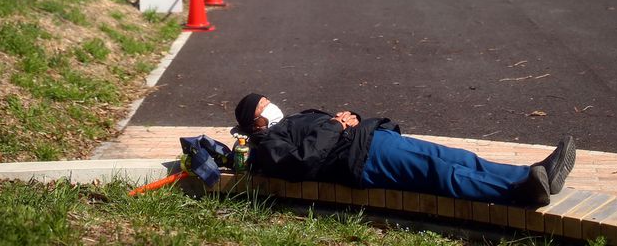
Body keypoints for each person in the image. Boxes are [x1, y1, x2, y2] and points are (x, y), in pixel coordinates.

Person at [233, 93, 575, 207]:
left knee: (454, 157)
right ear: (255, 122)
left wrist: (348, 118)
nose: (272, 107)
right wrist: (336, 125)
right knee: (440, 173)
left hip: (372, 139)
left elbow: (323, 131)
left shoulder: (287, 123)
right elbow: (302, 162)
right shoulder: (267, 145)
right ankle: (517, 193)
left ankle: (533, 174)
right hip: (362, 159)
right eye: (264, 106)